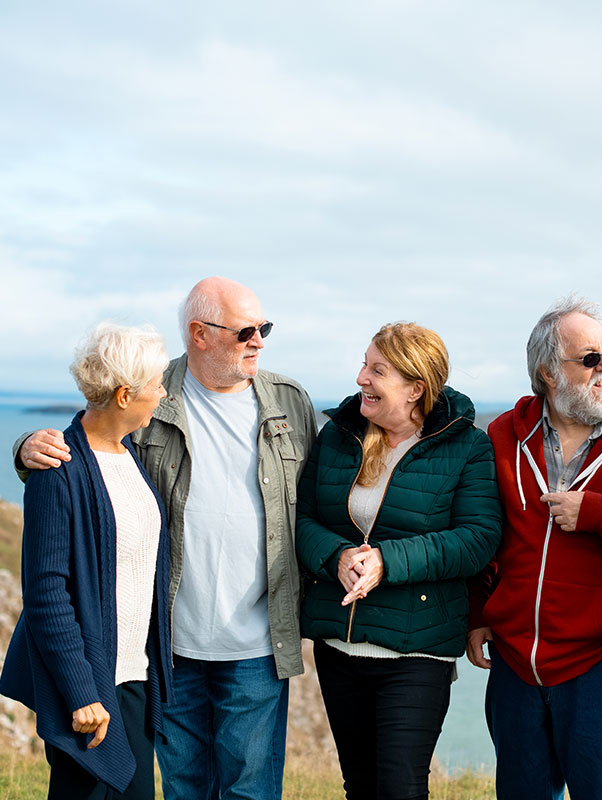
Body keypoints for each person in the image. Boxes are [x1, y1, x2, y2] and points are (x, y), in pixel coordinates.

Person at [14, 277, 317, 800]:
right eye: (248, 330)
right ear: (200, 334)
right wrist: (26, 449)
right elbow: (87, 447)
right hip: (170, 648)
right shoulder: (156, 391)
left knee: (250, 791)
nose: (260, 340)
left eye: (264, 327)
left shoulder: (290, 402)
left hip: (254, 644)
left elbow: (329, 487)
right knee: (182, 787)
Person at [467, 297, 602, 800]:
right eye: (589, 358)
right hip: (515, 660)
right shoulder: (503, 433)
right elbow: (484, 531)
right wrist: (478, 609)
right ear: (547, 372)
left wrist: (597, 513)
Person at [296, 322, 502, 800]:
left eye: (377, 370)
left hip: (418, 653)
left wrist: (388, 560)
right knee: (360, 787)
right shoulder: (338, 437)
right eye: (365, 365)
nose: (361, 378)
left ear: (415, 389)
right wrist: (336, 555)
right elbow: (302, 519)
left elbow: (477, 539)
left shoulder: (468, 447)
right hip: (339, 646)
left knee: (401, 789)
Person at [0, 323, 172, 799]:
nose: (162, 393)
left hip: (133, 676)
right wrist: (81, 695)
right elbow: (46, 594)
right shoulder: (58, 469)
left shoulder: (130, 454)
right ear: (123, 395)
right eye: (156, 384)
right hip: (91, 688)